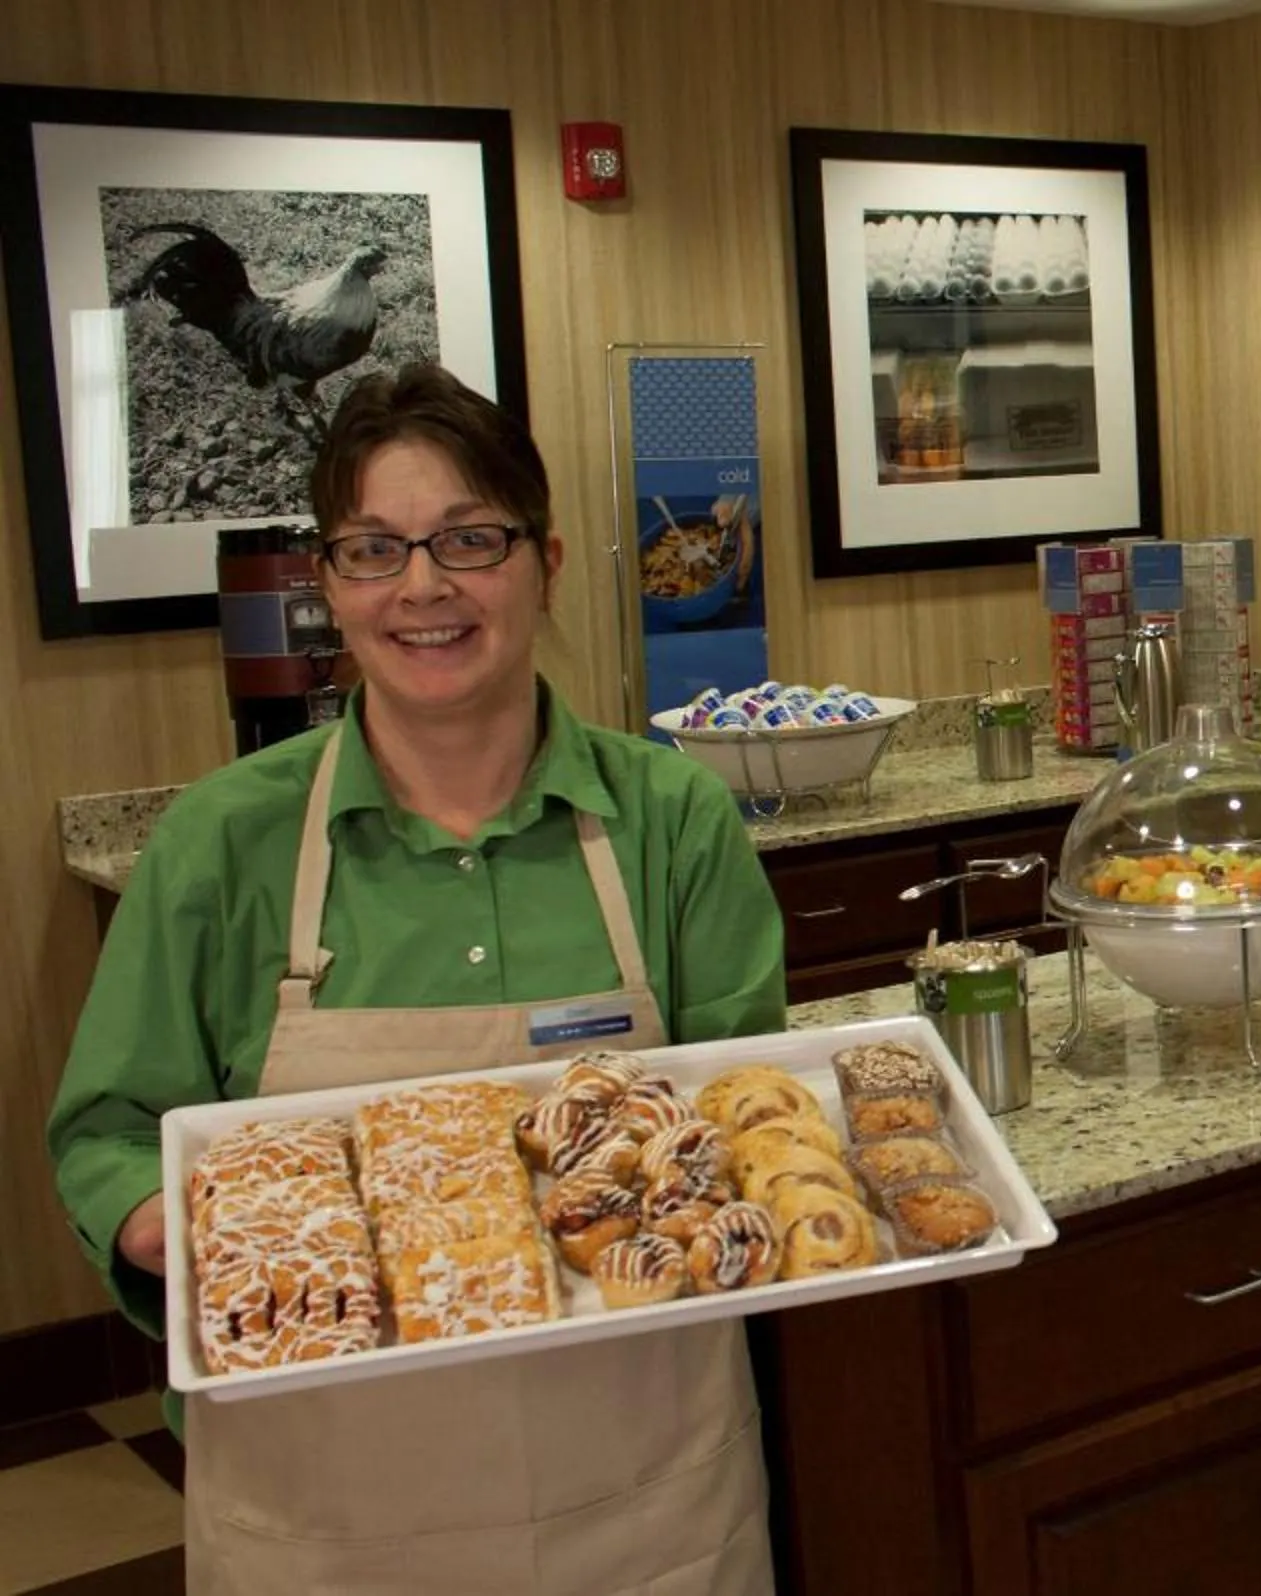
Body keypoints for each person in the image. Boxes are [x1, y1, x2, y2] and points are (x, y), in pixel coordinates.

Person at [48, 363, 787, 1594]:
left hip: (647, 1499)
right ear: (329, 586)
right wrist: (198, 1231)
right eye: (374, 549)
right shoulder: (222, 844)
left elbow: (742, 1117)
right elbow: (109, 1134)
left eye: (469, 539)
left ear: (546, 564)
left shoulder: (670, 817)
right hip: (322, 1515)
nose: (424, 586)